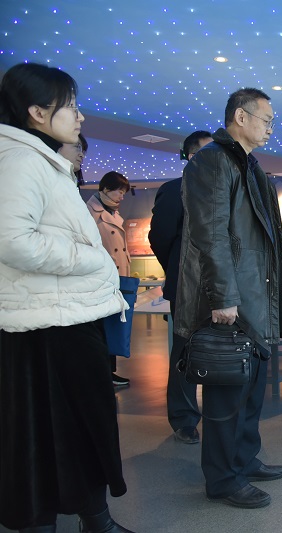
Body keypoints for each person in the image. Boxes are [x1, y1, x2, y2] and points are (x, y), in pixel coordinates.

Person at [0, 62, 133, 533]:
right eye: (70, 106)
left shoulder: (42, 162)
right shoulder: (20, 161)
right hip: (46, 325)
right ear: (37, 112)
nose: (80, 117)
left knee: (81, 427)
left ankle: (94, 517)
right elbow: (13, 240)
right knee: (48, 434)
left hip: (65, 316)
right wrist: (90, 259)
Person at [174, 88, 282, 508]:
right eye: (266, 119)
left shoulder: (250, 164)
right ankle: (223, 478)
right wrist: (223, 296)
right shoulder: (212, 161)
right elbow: (211, 234)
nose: (271, 128)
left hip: (253, 296)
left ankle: (243, 458)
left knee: (251, 389)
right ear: (240, 117)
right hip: (231, 299)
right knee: (227, 394)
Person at [148, 130, 212, 445]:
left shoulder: (223, 190)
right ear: (191, 156)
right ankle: (184, 418)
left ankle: (218, 414)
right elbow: (160, 238)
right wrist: (177, 268)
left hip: (220, 287)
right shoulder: (174, 190)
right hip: (187, 287)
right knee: (185, 350)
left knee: (219, 350)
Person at [86, 170, 133, 387]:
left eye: (124, 193)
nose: (122, 197)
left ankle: (109, 371)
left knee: (113, 325)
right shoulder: (89, 213)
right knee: (101, 327)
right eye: (119, 192)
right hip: (100, 279)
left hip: (116, 278)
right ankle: (101, 372)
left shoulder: (113, 213)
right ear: (105, 189)